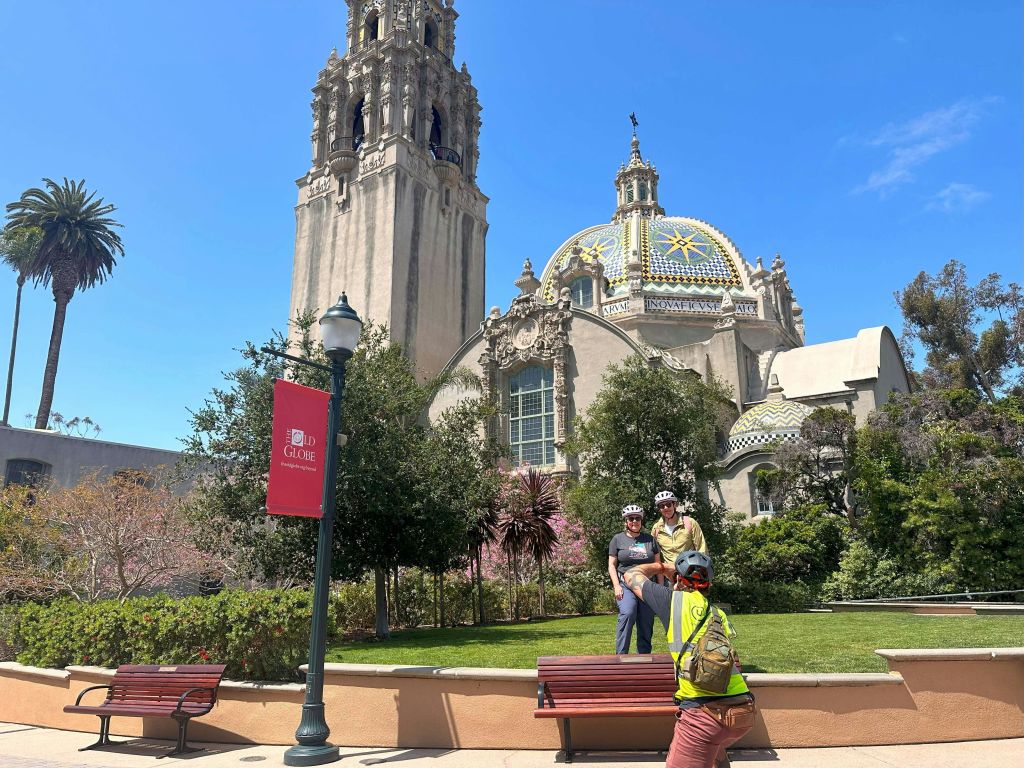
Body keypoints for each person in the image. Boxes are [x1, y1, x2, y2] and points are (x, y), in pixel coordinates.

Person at [622, 551, 754, 768]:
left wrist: (663, 567)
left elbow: (631, 574)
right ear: (708, 582)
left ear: (677, 578)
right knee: (715, 754)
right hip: (743, 711)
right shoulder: (717, 613)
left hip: (704, 713)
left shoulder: (671, 600)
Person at [607, 504, 661, 654]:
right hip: (625, 584)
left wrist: (660, 589)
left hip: (647, 585)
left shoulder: (650, 539)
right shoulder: (617, 539)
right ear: (626, 521)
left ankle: (644, 657)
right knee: (628, 611)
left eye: (637, 518)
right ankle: (621, 656)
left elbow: (658, 566)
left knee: (646, 619)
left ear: (641, 520)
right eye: (631, 518)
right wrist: (616, 586)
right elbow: (612, 565)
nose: (634, 521)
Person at [650, 492, 707, 585]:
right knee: (673, 600)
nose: (665, 508)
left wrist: (702, 574)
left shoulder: (689, 523)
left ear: (675, 505)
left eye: (668, 504)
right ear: (659, 509)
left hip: (690, 575)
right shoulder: (656, 528)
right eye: (662, 506)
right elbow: (654, 555)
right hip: (669, 578)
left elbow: (702, 549)